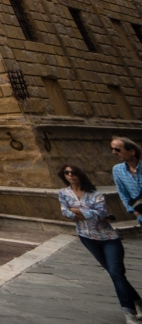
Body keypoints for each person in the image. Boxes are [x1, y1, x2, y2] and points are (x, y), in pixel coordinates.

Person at [60, 163, 142, 323]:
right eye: (66, 172)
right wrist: (85, 213)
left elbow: (100, 214)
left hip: (108, 238)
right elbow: (64, 212)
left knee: (116, 273)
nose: (70, 175)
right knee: (115, 274)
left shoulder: (95, 194)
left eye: (73, 172)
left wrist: (76, 211)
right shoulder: (63, 193)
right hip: (86, 237)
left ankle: (129, 312)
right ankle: (138, 302)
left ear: (80, 174)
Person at [112, 137, 142, 228]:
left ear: (132, 152)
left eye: (117, 149)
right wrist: (134, 212)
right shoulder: (117, 170)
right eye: (112, 149)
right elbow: (123, 193)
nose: (114, 152)